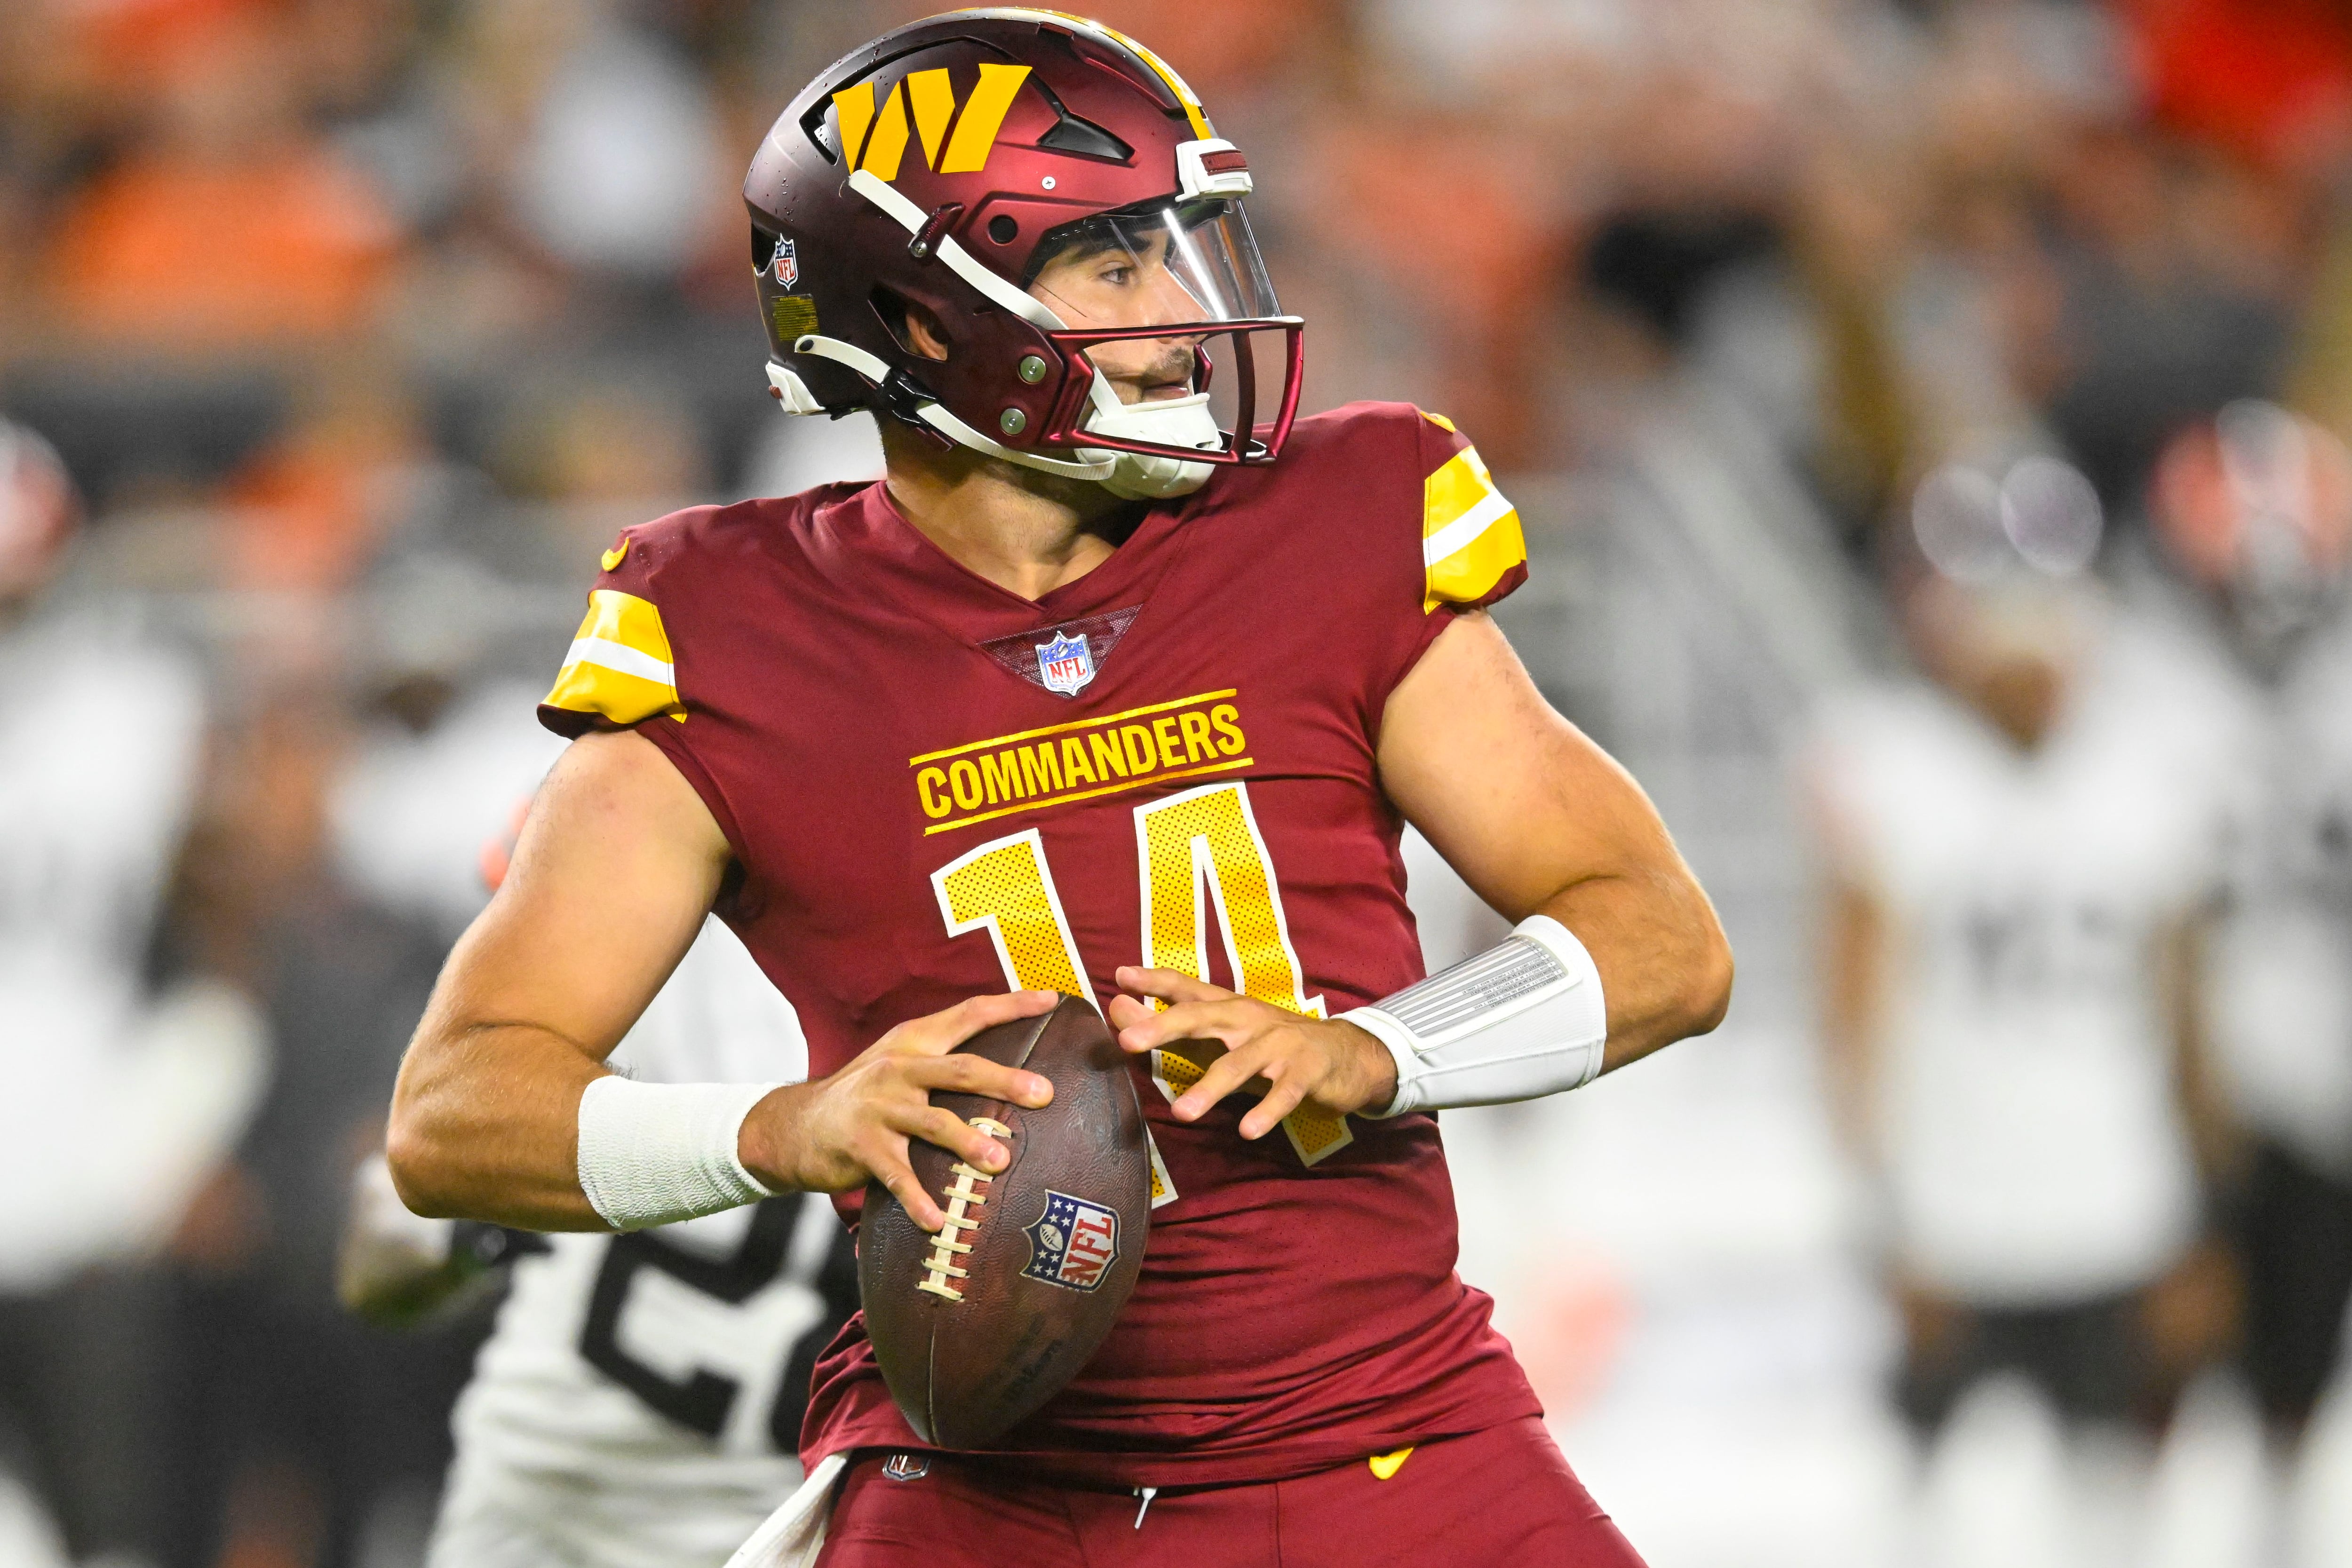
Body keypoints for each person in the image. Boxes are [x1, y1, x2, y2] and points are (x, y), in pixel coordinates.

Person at [387, 13, 1732, 1566]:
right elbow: (454, 1110)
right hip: (990, 1493)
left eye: (1181, 250)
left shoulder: (1340, 521)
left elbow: (1663, 943)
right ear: (928, 311)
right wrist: (785, 1125)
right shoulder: (732, 630)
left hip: (1386, 1435)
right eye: (1113, 265)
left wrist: (1375, 1049)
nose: (1181, 314)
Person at [1811, 472, 2233, 1566]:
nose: (2029, 667)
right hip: (1953, 1200)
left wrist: (2199, 1207)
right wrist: (1878, 1210)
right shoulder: (1891, 762)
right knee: (1920, 1493)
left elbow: (2182, 1004)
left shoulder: (2145, 762)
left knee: (2113, 1493)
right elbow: (1850, 1016)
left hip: (2112, 1194)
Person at [344, 912, 857, 1568]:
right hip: (573, 1501)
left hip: (613, 1502)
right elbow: (388, 1248)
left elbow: (383, 1255)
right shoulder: (641, 876)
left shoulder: (635, 881)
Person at [2135, 400, 2352, 1547]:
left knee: (2300, 1356)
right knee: (2157, 1361)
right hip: (2184, 1076)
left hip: (2323, 1066)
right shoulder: (2138, 688)